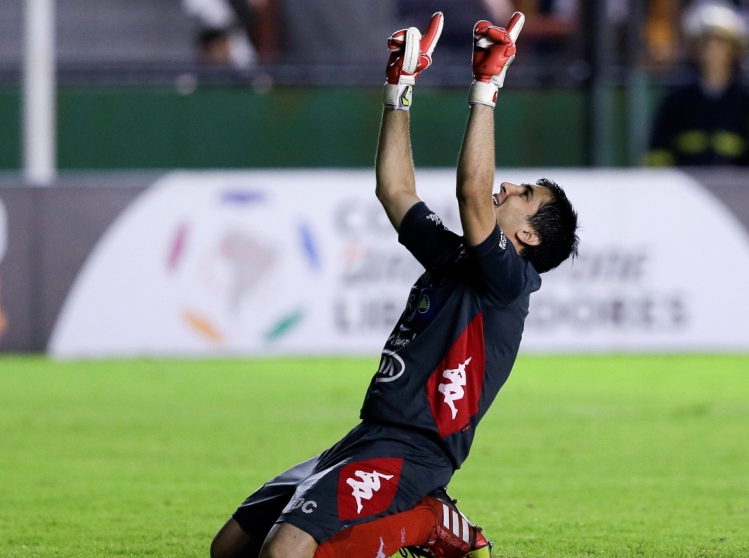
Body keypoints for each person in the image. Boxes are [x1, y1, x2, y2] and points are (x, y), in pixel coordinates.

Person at [211, 11, 580, 558]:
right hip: (369, 436)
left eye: (523, 193)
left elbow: (473, 194)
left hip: (416, 450)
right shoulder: (457, 255)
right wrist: (399, 88)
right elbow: (395, 191)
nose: (509, 185)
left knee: (284, 551)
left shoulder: (510, 279)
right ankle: (423, 516)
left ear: (526, 234)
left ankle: (427, 517)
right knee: (230, 547)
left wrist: (487, 86)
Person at [647, 1, 749, 166]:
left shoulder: (744, 104)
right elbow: (657, 155)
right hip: (684, 190)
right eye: (705, 42)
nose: (711, 50)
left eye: (719, 42)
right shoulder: (676, 103)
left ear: (733, 50)